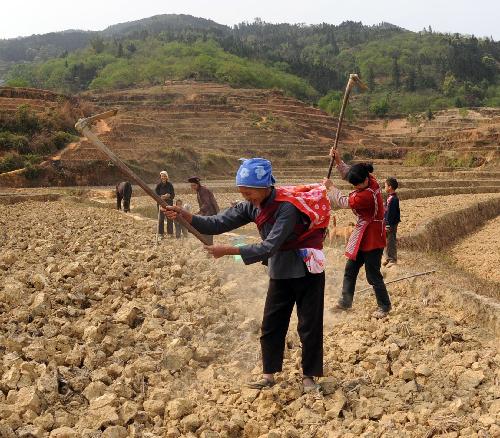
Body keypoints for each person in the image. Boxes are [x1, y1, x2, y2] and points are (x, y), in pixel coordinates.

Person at [165, 159, 328, 393]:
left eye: (249, 192)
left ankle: (309, 377)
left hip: (306, 269)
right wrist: (185, 215)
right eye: (242, 193)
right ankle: (269, 375)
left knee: (309, 325)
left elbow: (269, 246)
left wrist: (229, 251)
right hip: (280, 270)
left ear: (265, 187)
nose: (246, 197)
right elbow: (217, 223)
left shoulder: (287, 207)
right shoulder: (251, 206)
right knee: (272, 324)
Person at [324, 148, 392, 319]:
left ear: (364, 181)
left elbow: (342, 201)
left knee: (373, 274)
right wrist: (338, 160)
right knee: (350, 269)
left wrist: (331, 187)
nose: (355, 187)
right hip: (362, 233)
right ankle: (345, 301)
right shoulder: (369, 179)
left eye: (356, 185)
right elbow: (350, 174)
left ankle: (384, 306)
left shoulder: (365, 197)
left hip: (373, 236)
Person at [187, 176, 220, 245]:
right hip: (207, 212)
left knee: (207, 230)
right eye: (191, 185)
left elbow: (207, 203)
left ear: (198, 184)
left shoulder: (203, 190)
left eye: (194, 185)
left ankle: (209, 245)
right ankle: (207, 244)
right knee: (205, 229)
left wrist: (199, 210)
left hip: (210, 212)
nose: (193, 187)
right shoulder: (199, 190)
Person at [383, 177, 401, 267]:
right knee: (386, 241)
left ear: (390, 187)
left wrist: (388, 224)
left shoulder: (393, 199)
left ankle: (392, 259)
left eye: (385, 186)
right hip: (388, 223)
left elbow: (391, 213)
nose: (384, 187)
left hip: (391, 224)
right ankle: (388, 258)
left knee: (391, 241)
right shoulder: (390, 198)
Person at [155, 171, 175, 238]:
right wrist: (161, 196)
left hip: (169, 204)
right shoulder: (158, 185)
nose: (163, 177)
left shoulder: (170, 185)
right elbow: (155, 195)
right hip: (160, 204)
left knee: (169, 218)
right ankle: (161, 234)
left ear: (167, 177)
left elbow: (173, 195)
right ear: (160, 177)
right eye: (162, 176)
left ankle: (170, 233)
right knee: (161, 219)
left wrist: (168, 196)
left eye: (165, 176)